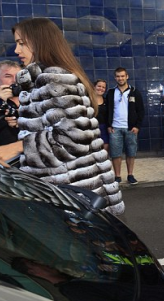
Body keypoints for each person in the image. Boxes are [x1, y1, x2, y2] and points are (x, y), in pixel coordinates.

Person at [11, 17, 124, 216]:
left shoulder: (53, 79)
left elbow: (73, 139)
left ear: (40, 41)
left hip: (72, 196)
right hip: (71, 190)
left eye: (21, 43)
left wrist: (18, 147)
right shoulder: (42, 79)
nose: (16, 50)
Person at [106, 67, 145, 185]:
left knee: (131, 152)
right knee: (115, 154)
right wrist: (109, 125)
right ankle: (117, 176)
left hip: (131, 128)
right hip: (115, 128)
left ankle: (130, 175)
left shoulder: (134, 92)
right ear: (115, 78)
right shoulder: (111, 92)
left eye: (122, 76)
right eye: (118, 76)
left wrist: (137, 126)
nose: (120, 78)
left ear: (127, 76)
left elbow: (141, 111)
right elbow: (107, 110)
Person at [93, 79, 109, 154]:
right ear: (94, 87)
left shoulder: (106, 101)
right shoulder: (88, 100)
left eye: (103, 87)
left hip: (104, 128)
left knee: (104, 152)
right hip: (92, 129)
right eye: (99, 86)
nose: (101, 88)